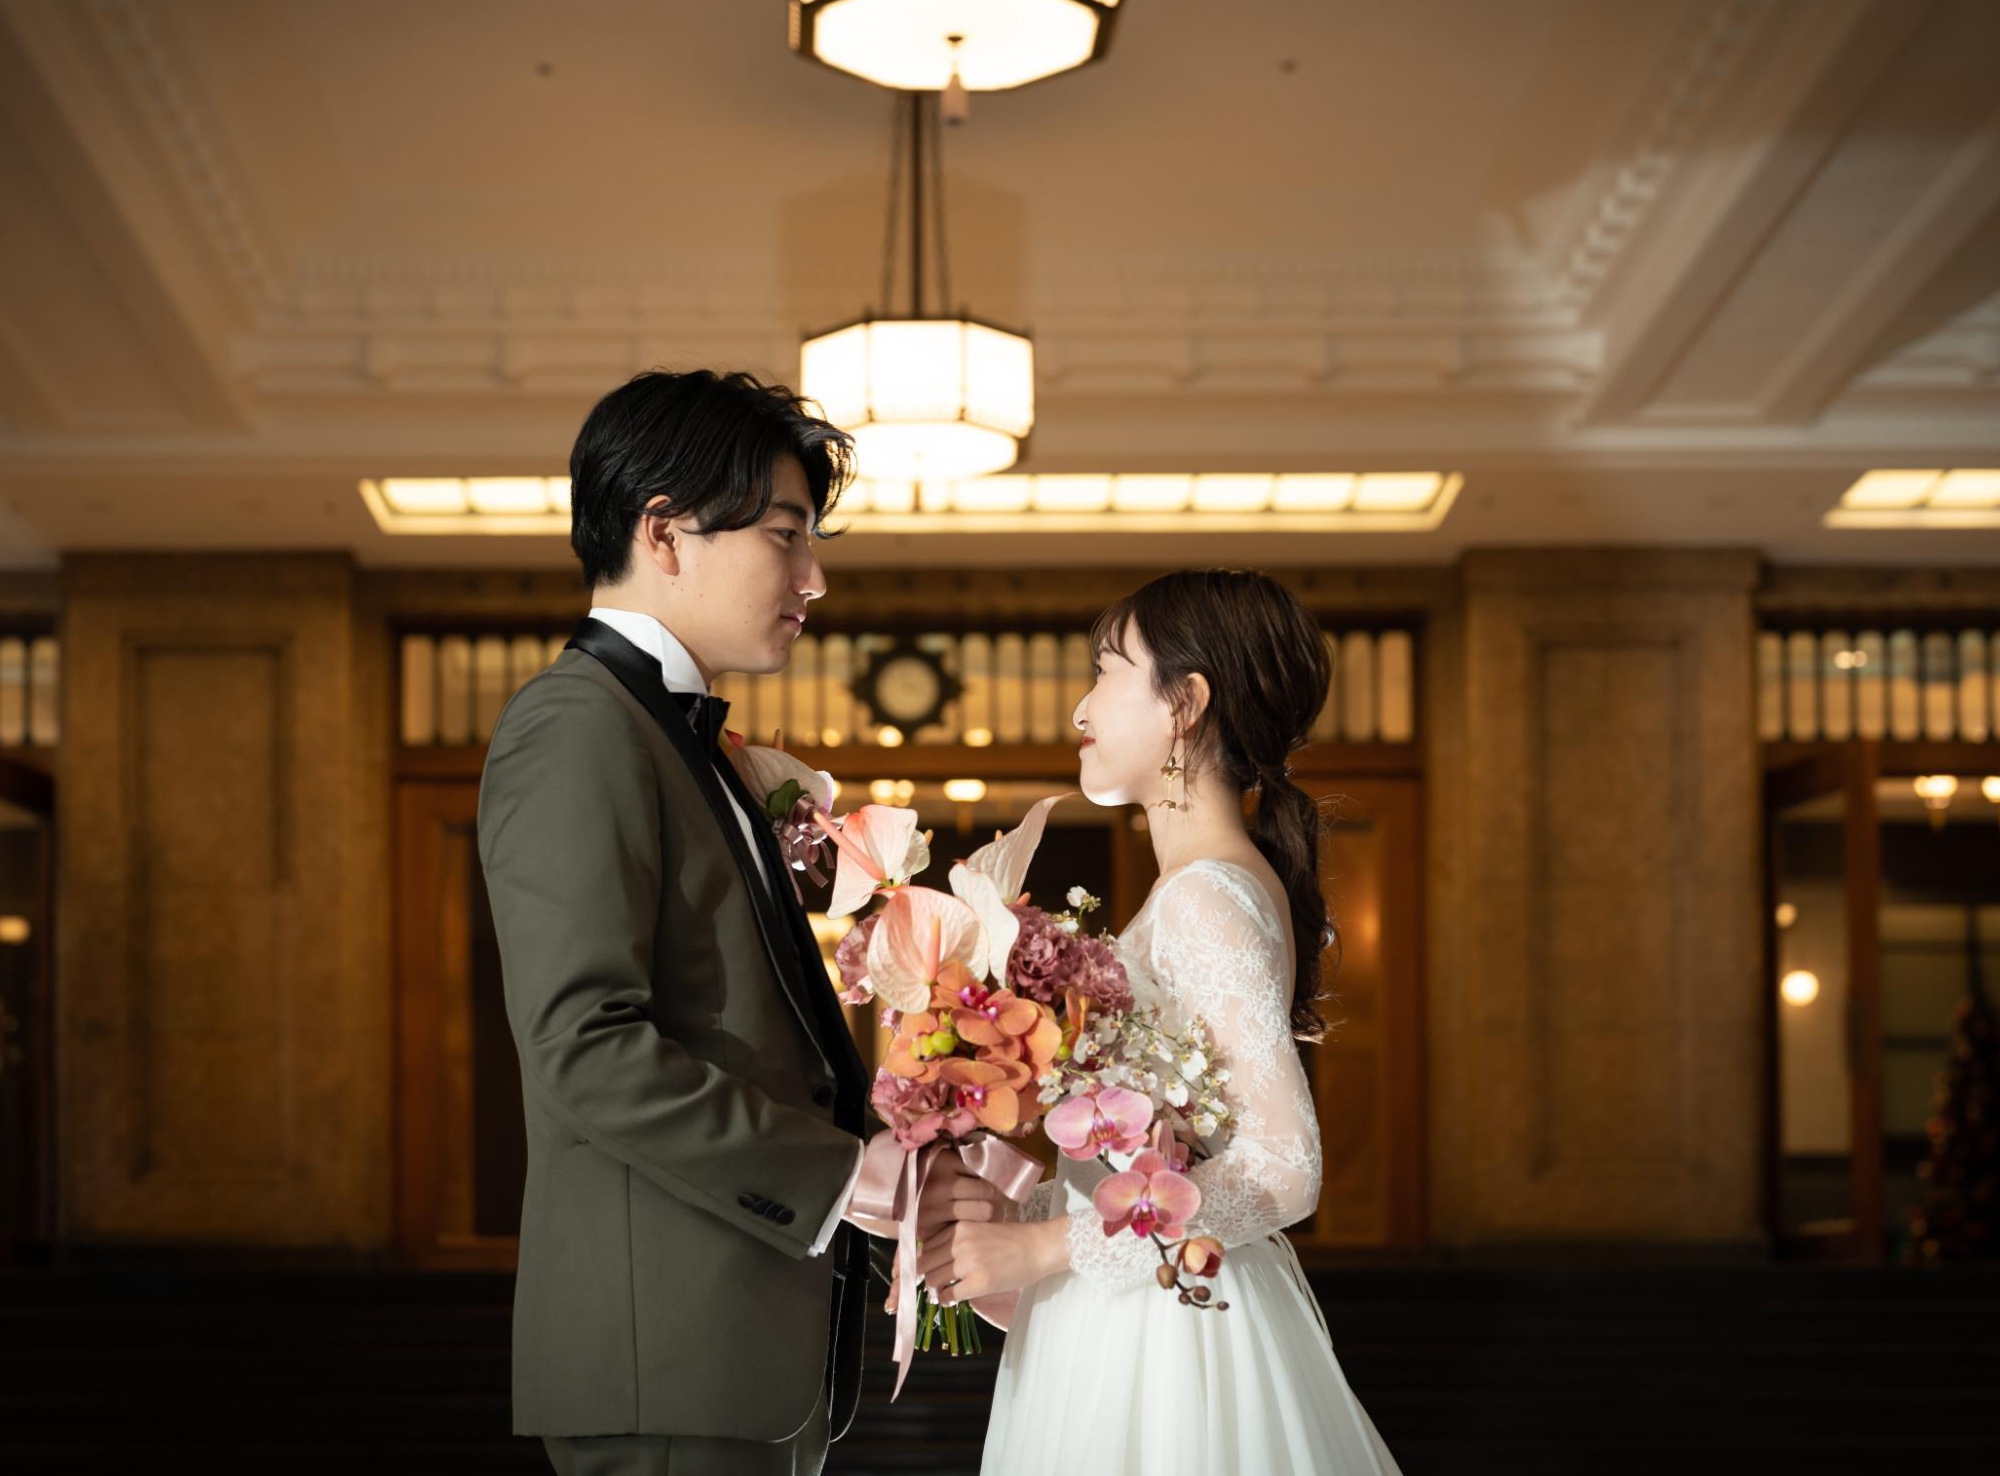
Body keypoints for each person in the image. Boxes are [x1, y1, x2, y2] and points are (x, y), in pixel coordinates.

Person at [480, 368, 946, 1476]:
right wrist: (842, 1175)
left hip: (731, 1349)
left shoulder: (688, 741)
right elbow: (583, 1047)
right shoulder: (577, 726)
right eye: (786, 534)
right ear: (665, 532)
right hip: (668, 1349)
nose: (813, 576)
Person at [912, 569, 1408, 1474]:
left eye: (1106, 672)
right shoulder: (1199, 888)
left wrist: (1043, 1244)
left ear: (1186, 703)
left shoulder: (1206, 898)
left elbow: (1284, 1168)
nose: (1080, 708)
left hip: (1166, 1339)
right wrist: (1018, 1208)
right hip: (1142, 1301)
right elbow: (1167, 1155)